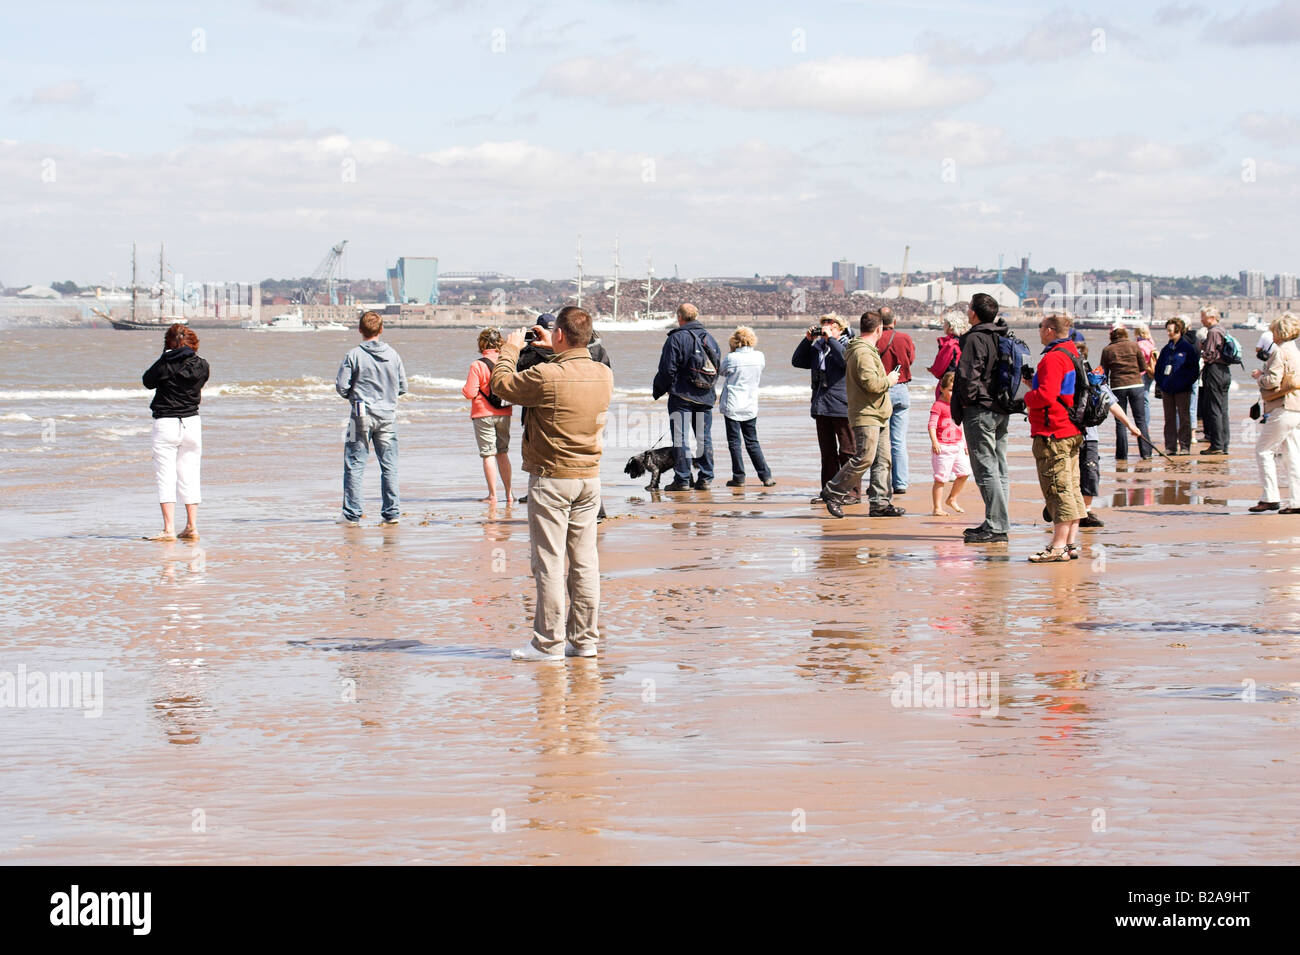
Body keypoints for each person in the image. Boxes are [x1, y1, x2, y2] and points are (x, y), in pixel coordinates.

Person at [489, 307, 614, 661]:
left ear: (559, 334)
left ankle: (548, 644)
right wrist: (553, 347)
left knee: (549, 563)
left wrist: (510, 350)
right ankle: (585, 640)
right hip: (589, 478)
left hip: (552, 479)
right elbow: (570, 369)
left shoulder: (547, 375)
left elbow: (501, 386)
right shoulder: (603, 373)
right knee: (585, 562)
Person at [514, 310, 612, 516]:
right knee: (584, 464)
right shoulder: (597, 354)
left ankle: (587, 508)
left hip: (545, 422)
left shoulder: (532, 354)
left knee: (550, 461)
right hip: (589, 416)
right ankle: (596, 510)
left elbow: (508, 384)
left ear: (558, 334)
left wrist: (512, 349)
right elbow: (597, 365)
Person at [818, 311, 901, 519]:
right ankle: (833, 492)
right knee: (864, 457)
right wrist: (891, 379)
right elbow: (872, 384)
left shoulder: (866, 349)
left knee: (883, 460)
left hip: (878, 412)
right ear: (879, 329)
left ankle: (880, 503)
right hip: (866, 413)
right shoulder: (862, 352)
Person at [335, 310, 406, 526]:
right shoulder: (393, 355)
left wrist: (353, 396)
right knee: (389, 465)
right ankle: (391, 513)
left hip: (360, 414)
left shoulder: (353, 355)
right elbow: (403, 387)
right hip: (387, 416)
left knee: (355, 464)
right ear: (381, 329)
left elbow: (341, 386)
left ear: (360, 330)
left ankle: (352, 515)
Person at [1023, 313, 1085, 562]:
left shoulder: (1053, 358)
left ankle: (1058, 545)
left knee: (1057, 489)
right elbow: (1059, 391)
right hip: (1070, 428)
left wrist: (1026, 397)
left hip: (1053, 431)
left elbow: (1046, 397)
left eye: (1040, 328)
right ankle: (1069, 543)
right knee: (1071, 487)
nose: (1039, 332)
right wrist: (1033, 387)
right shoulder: (1072, 352)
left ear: (1049, 330)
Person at [950, 293, 1012, 543]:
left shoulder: (976, 338)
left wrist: (968, 400)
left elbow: (967, 376)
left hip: (981, 409)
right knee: (998, 466)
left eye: (969, 308)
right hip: (1000, 407)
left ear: (974, 313)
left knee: (986, 468)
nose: (967, 312)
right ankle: (995, 520)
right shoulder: (1001, 334)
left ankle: (997, 525)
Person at [143, 323, 209, 541]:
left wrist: (165, 356)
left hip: (166, 423)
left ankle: (169, 529)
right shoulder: (202, 365)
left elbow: (147, 381)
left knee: (166, 476)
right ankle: (192, 526)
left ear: (168, 343)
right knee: (190, 475)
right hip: (191, 423)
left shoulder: (164, 364)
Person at [1074, 342, 1144, 528]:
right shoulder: (1067, 377)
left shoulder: (1094, 380)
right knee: (1079, 473)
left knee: (1089, 473)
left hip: (1088, 436)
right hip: (1072, 435)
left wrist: (1130, 425)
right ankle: (1072, 509)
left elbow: (1112, 404)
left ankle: (1085, 511)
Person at [793, 314, 860, 503]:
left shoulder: (849, 345)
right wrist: (808, 341)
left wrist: (831, 339)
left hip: (842, 405)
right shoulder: (817, 348)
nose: (825, 329)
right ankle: (828, 491)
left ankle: (852, 492)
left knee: (848, 452)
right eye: (824, 326)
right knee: (827, 454)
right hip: (822, 405)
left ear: (841, 328)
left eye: (831, 326)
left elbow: (846, 362)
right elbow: (797, 361)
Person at [652, 303, 720, 491]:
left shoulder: (676, 338)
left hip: (681, 396)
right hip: (705, 395)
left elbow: (667, 369)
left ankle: (682, 479)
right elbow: (717, 368)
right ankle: (705, 477)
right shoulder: (710, 338)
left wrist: (659, 389)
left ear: (679, 317)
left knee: (681, 439)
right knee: (703, 437)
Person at [1248, 313, 1300, 514]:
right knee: (1292, 455)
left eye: (1273, 331)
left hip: (1282, 407)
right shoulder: (1295, 351)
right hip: (1296, 407)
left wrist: (1260, 376)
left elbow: (1273, 381)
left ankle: (1270, 497)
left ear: (1279, 332)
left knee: (1263, 450)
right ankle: (1296, 501)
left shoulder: (1279, 352)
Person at [461, 327, 513, 505]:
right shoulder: (507, 362)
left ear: (481, 343)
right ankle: (509, 494)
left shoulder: (477, 365)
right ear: (500, 342)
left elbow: (469, 392)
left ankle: (492, 495)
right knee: (503, 453)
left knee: (488, 454)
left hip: (483, 413)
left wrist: (465, 389)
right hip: (504, 412)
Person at [719, 325, 775, 487]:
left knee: (735, 443)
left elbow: (721, 372)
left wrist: (731, 353)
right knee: (752, 441)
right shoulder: (759, 356)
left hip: (733, 404)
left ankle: (739, 476)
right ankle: (765, 476)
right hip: (750, 404)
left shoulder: (732, 358)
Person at [1099, 326, 1154, 460]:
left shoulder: (1107, 350)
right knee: (1140, 420)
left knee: (1120, 422)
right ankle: (1146, 453)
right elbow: (1143, 367)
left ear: (1112, 337)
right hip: (1136, 384)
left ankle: (1122, 455)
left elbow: (1103, 373)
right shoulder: (1134, 346)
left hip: (1118, 386)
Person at [877, 306, 916, 495]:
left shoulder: (874, 339)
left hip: (881, 389)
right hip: (901, 388)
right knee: (898, 441)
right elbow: (911, 359)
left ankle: (880, 483)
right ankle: (900, 483)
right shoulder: (905, 338)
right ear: (895, 321)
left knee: (879, 440)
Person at [1155, 316, 1200, 455]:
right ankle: (1170, 446)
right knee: (1169, 419)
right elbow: (1159, 368)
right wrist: (1161, 383)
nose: (1168, 332)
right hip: (1167, 389)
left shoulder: (1187, 348)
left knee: (1184, 418)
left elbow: (1194, 370)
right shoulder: (1166, 349)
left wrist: (1185, 383)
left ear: (1178, 330)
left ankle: (1185, 446)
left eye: (1171, 330)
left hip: (1183, 390)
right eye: (1167, 330)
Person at [928, 371, 970, 516]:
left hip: (958, 445)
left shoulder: (958, 405)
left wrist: (965, 444)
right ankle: (937, 508)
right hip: (943, 447)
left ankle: (952, 498)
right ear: (942, 389)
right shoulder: (938, 405)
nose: (953, 393)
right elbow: (932, 425)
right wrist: (934, 442)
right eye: (951, 390)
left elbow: (961, 426)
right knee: (941, 479)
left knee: (964, 473)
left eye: (956, 390)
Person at [1198, 307, 1231, 454]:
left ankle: (1216, 445)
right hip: (1225, 371)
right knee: (1223, 409)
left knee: (1214, 408)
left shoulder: (1213, 332)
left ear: (1211, 317)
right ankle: (1224, 443)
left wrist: (1202, 350)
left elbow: (1209, 355)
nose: (1201, 320)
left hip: (1215, 370)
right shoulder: (1223, 330)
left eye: (1203, 317)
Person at [928, 311, 967, 397]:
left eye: (945, 324)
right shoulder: (966, 342)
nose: (943, 326)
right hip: (962, 385)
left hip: (948, 385)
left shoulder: (950, 344)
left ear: (951, 327)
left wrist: (932, 369)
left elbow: (939, 369)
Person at [1134, 323, 1157, 396]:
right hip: (1151, 371)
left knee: (1143, 397)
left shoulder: (1140, 344)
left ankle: (1145, 408)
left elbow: (1140, 360)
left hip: (1144, 372)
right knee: (1145, 393)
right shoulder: (1150, 342)